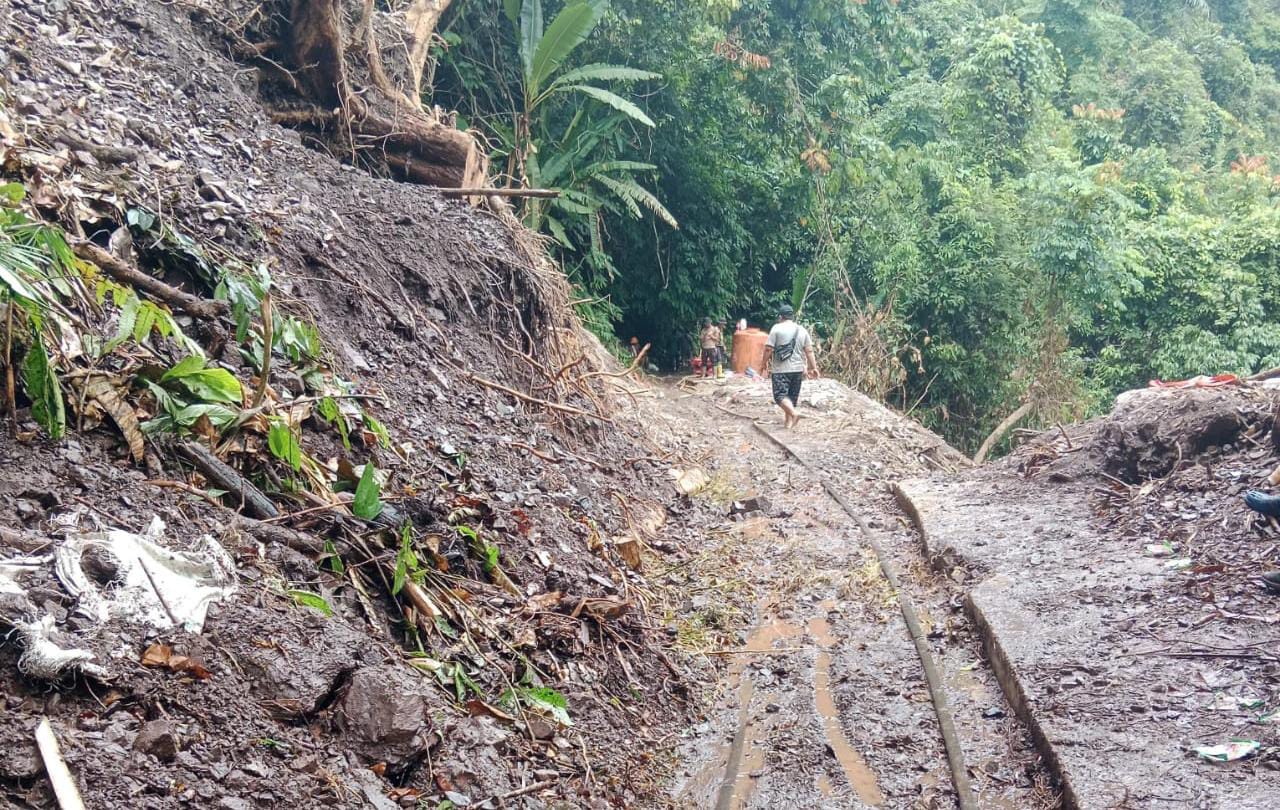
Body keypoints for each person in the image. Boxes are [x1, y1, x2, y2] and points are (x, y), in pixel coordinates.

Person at [762, 304, 819, 428]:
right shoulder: (802, 330)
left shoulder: (776, 328)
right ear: (791, 316)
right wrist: (813, 367)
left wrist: (763, 364)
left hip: (781, 370)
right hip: (798, 370)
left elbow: (768, 349)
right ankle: (788, 423)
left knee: (780, 396)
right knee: (791, 397)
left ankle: (793, 414)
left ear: (780, 316)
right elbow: (809, 350)